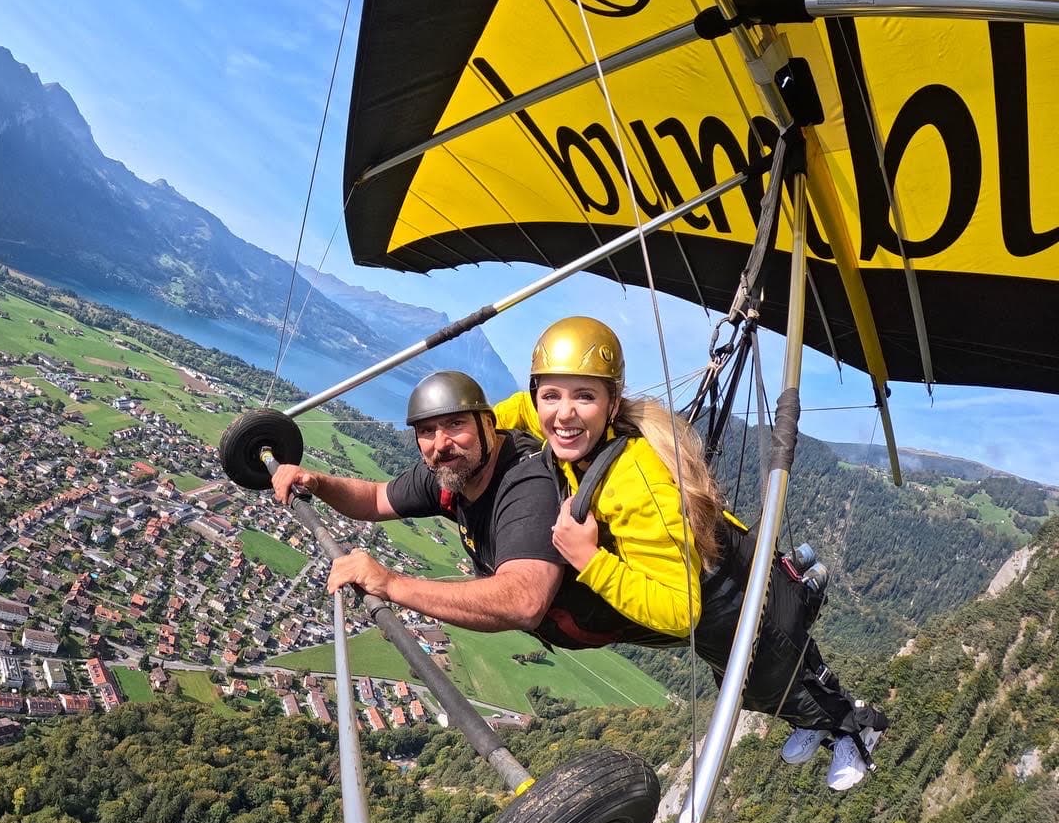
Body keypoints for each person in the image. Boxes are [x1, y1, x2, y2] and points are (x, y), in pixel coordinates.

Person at [492, 316, 887, 792]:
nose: (563, 413)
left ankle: (856, 729)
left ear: (611, 403)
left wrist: (590, 561)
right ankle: (809, 720)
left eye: (584, 396)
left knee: (776, 674)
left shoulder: (634, 482)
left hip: (735, 599)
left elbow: (681, 613)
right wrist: (473, 428)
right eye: (551, 395)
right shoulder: (563, 424)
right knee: (752, 684)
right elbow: (518, 412)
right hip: (730, 581)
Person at [270, 370, 589, 650]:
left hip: (588, 622)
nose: (441, 443)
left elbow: (524, 600)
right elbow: (376, 498)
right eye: (426, 430)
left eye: (455, 424)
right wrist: (316, 482)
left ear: (488, 425)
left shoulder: (528, 482)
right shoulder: (452, 469)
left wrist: (390, 583)